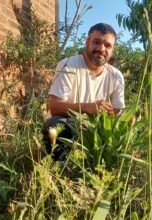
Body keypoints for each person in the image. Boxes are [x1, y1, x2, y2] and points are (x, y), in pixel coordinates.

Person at [43, 23, 125, 161]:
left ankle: (104, 168)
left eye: (107, 45)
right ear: (87, 42)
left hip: (95, 128)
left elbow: (118, 111)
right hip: (71, 124)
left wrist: (107, 117)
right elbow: (55, 106)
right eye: (96, 42)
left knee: (128, 130)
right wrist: (87, 108)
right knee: (57, 123)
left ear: (112, 49)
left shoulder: (116, 76)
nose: (101, 49)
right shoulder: (68, 65)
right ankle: (57, 168)